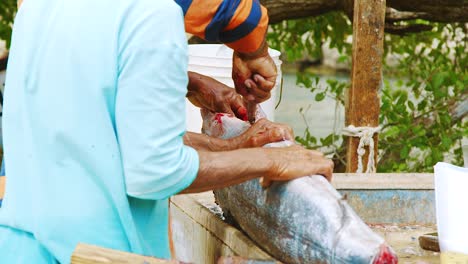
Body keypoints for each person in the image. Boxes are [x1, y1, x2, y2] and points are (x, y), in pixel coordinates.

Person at [0, 0, 334, 263]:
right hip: (99, 253)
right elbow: (153, 171)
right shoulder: (153, 17)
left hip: (23, 246)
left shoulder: (38, 7)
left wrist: (235, 146)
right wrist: (272, 161)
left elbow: (99, 137)